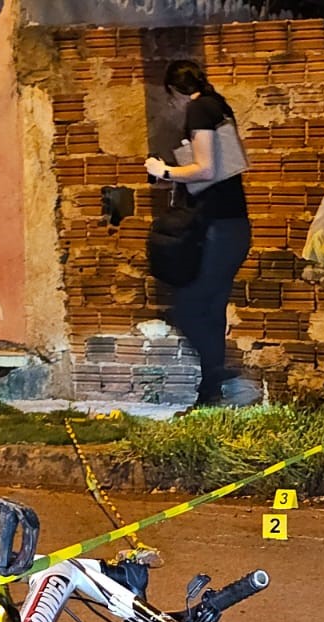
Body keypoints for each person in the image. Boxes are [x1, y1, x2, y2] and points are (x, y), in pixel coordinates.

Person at [143, 60, 255, 407]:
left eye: (170, 99)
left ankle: (221, 375)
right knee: (211, 308)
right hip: (234, 225)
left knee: (190, 308)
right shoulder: (218, 105)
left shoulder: (199, 109)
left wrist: (164, 171)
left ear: (174, 92)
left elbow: (205, 168)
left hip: (217, 228)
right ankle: (210, 397)